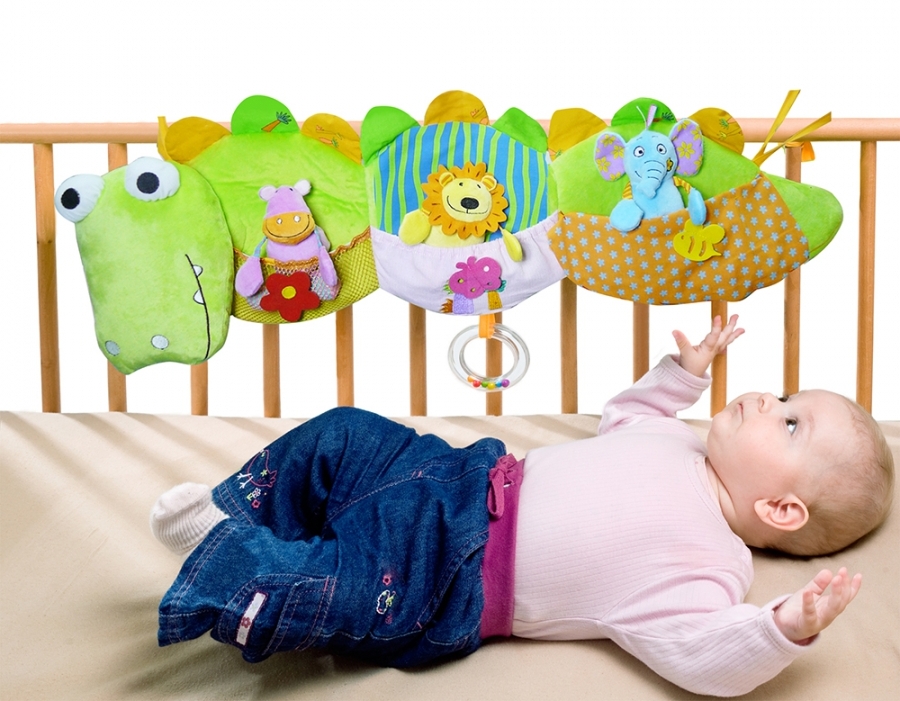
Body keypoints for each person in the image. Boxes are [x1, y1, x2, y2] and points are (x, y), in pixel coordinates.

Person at [150, 315, 894, 696]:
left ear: (783, 510)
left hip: (448, 581)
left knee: (339, 587)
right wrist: (681, 375)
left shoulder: (711, 568)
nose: (766, 398)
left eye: (789, 423)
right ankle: (240, 514)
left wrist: (779, 629)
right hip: (452, 473)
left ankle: (226, 558)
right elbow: (629, 413)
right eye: (786, 395)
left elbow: (705, 655)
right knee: (345, 433)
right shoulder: (674, 437)